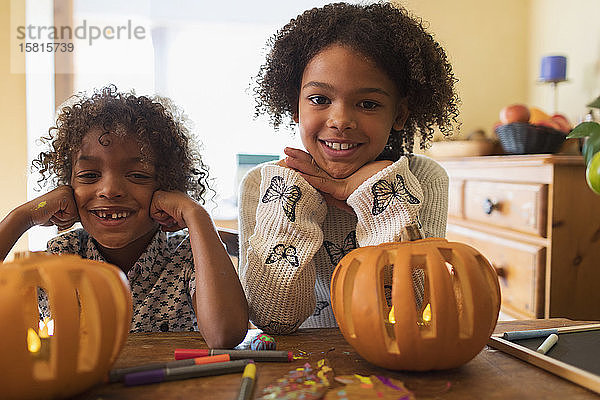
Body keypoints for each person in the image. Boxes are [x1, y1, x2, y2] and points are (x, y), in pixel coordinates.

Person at [238, 2, 459, 334]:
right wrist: (294, 201)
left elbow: (410, 310)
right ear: (294, 106)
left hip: (393, 361)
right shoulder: (262, 184)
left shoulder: (424, 179)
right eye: (319, 99)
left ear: (399, 114)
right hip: (298, 366)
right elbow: (273, 318)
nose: (340, 120)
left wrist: (377, 194)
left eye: (368, 104)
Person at [0, 86, 248, 348]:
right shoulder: (62, 256)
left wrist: (195, 214)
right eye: (89, 176)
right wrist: (23, 217)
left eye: (138, 175)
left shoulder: (186, 257)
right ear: (68, 189)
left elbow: (224, 335)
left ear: (166, 188)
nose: (110, 190)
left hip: (170, 387)